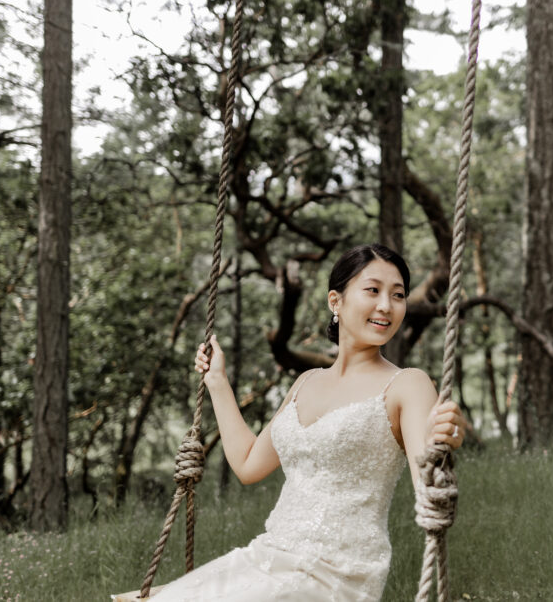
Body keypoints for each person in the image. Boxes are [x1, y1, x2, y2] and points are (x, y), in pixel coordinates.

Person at [152, 243, 466, 601]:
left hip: (335, 573)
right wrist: (218, 382)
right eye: (373, 290)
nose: (386, 306)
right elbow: (248, 464)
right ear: (336, 301)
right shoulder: (305, 383)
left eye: (398, 295)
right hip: (266, 557)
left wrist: (442, 441)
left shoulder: (408, 384)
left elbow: (427, 480)